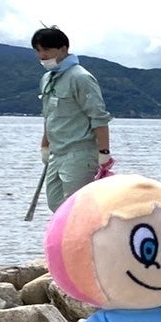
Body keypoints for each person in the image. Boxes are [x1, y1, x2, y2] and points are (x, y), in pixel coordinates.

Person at [32, 27, 113, 212]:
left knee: (78, 208)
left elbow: (98, 117)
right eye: (38, 50)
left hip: (79, 152)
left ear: (63, 49)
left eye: (46, 50)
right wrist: (44, 145)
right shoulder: (48, 78)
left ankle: (85, 240)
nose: (42, 55)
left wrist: (104, 152)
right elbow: (49, 115)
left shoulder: (81, 77)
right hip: (56, 152)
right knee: (55, 204)